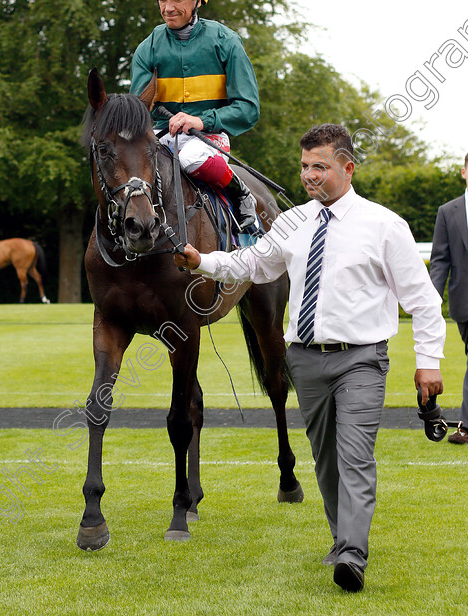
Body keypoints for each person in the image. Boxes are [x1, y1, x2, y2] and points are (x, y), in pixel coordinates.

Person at [174, 123, 445, 593]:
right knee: (325, 461)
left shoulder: (385, 226)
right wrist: (204, 262)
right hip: (304, 360)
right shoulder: (292, 223)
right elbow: (254, 263)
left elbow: (422, 301)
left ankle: (353, 556)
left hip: (362, 360)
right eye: (304, 167)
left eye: (320, 166)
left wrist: (429, 361)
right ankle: (342, 539)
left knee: (354, 456)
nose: (310, 176)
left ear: (348, 167)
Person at [130, 0, 260, 231]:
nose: (168, 8)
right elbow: (140, 108)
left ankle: (242, 194)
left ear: (197, 0)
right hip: (164, 138)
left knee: (191, 158)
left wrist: (199, 121)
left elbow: (248, 109)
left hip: (208, 139)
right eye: (163, 0)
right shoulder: (147, 48)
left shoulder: (226, 41)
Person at [429, 152, 468, 444]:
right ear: (464, 172)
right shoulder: (448, 211)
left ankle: (466, 426)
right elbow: (440, 260)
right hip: (465, 302)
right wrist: (430, 300)